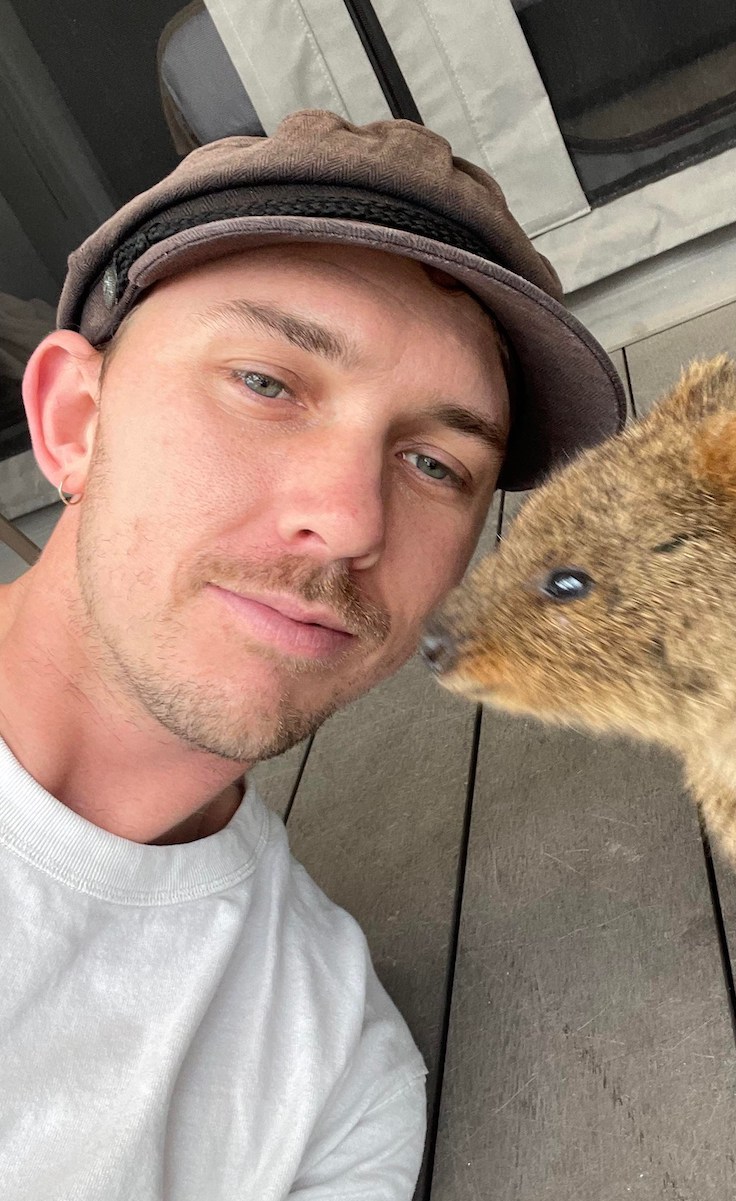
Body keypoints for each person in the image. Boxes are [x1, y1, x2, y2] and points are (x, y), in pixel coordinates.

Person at [0, 109, 625, 1198]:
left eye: (436, 463)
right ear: (73, 419)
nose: (349, 521)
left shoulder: (334, 1084)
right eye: (267, 383)